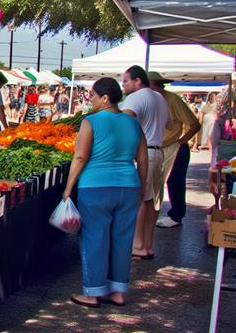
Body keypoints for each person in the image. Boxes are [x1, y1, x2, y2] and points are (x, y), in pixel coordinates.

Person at [62, 77, 147, 308]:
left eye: (93, 95)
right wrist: (142, 186)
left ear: (105, 98)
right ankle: (119, 292)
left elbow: (80, 157)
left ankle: (92, 292)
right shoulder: (133, 123)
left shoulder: (90, 121)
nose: (90, 99)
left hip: (95, 187)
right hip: (128, 187)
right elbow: (142, 159)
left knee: (94, 239)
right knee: (123, 240)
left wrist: (68, 188)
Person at [121, 65, 169, 260]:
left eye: (125, 81)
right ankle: (147, 244)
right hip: (158, 152)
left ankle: (138, 245)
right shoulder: (160, 97)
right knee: (152, 201)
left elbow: (124, 123)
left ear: (137, 81)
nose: (123, 85)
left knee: (140, 198)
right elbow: (169, 124)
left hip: (144, 154)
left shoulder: (134, 98)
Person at [147, 72, 200, 229]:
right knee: (155, 182)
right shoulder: (150, 100)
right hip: (158, 147)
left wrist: (181, 141)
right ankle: (155, 213)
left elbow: (195, 124)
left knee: (174, 181)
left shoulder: (173, 100)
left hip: (174, 147)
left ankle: (176, 215)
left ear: (154, 84)